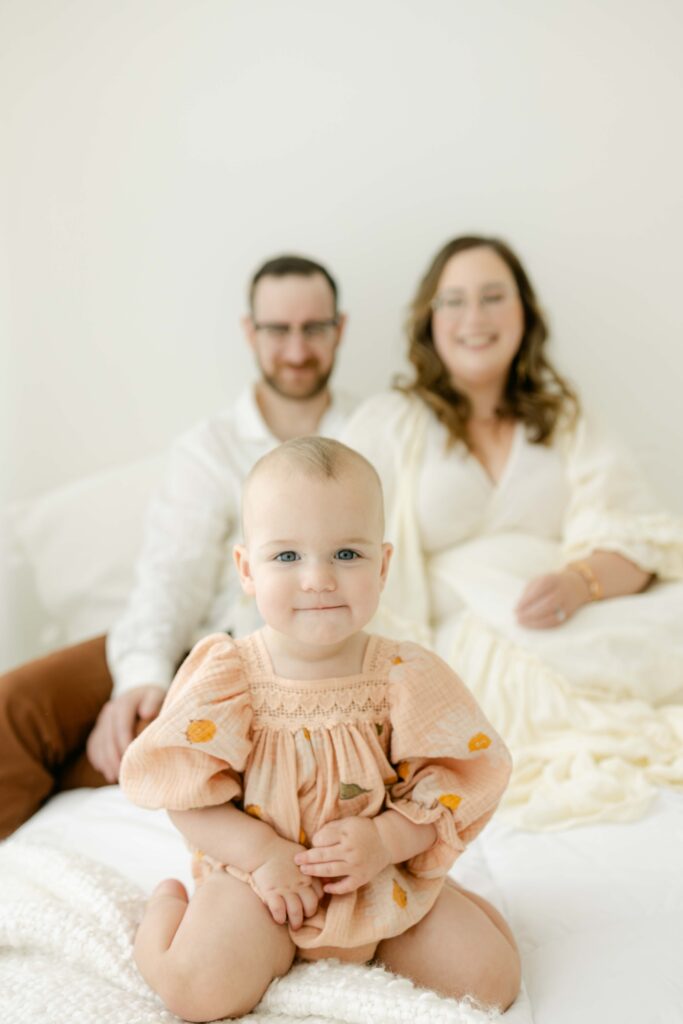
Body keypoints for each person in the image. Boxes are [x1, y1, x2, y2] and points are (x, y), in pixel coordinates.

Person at [119, 437, 520, 1022]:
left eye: (347, 555)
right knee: (196, 991)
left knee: (491, 981)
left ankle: (438, 907)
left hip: (378, 877)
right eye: (286, 557)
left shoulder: (404, 677)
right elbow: (184, 795)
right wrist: (262, 855)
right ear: (247, 570)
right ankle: (165, 911)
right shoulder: (230, 676)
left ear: (382, 566)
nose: (318, 580)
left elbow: (456, 782)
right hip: (258, 888)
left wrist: (388, 840)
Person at [0, 254, 354, 838]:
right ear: (250, 332)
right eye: (277, 330)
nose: (296, 351)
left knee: (121, 758)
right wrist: (141, 676)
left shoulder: (371, 436)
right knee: (15, 707)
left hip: (270, 669)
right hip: (182, 641)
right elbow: (170, 576)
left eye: (314, 329)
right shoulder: (209, 449)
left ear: (339, 329)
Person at [341, 235, 683, 830]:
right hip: (455, 641)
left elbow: (640, 538)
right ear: (430, 321)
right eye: (455, 301)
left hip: (567, 616)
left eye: (494, 297)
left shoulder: (565, 417)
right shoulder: (389, 424)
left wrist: (581, 581)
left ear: (524, 313)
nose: (475, 318)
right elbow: (335, 545)